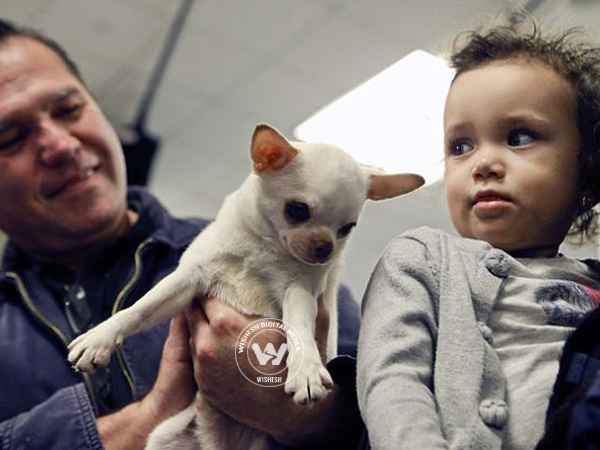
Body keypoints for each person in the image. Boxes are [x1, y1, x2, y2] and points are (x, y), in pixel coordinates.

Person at [0, 18, 363, 450]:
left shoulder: (287, 258)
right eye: (10, 136)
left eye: (68, 109)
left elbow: (389, 421)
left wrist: (317, 421)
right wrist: (135, 426)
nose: (61, 145)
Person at [357, 16, 600, 450]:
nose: (482, 163)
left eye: (519, 137)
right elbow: (391, 378)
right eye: (461, 146)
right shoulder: (422, 261)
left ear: (587, 172)